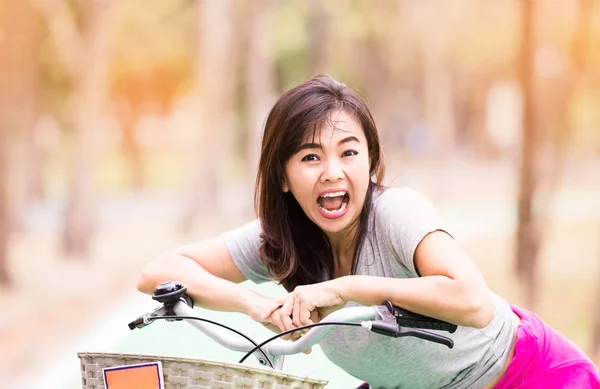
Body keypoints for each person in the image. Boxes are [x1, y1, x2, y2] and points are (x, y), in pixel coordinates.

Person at [137, 74, 600, 389]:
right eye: (310, 157)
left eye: (349, 152)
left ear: (372, 161)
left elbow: (474, 302)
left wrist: (345, 290)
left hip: (522, 375)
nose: (333, 172)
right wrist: (253, 303)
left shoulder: (397, 212)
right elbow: (158, 272)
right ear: (282, 175)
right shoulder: (280, 240)